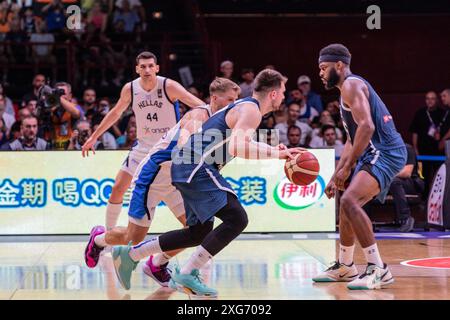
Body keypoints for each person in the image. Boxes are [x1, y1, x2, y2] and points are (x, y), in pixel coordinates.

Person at [111, 69, 304, 296]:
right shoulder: (252, 111)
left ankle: (131, 255)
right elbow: (237, 147)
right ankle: (188, 273)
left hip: (185, 165)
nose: (284, 96)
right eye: (282, 91)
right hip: (196, 166)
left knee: (198, 232)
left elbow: (240, 142)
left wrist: (275, 149)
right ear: (273, 93)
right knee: (237, 218)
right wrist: (276, 154)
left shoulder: (245, 107)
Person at [84, 78, 240, 288]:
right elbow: (187, 136)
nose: (233, 104)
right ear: (214, 98)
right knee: (134, 237)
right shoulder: (199, 115)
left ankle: (157, 263)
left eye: (236, 100)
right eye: (230, 99)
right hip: (155, 175)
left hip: (180, 180)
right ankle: (99, 240)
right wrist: (187, 147)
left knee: (194, 231)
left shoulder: (223, 123)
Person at [312, 44, 406, 290]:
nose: (320, 73)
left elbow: (367, 128)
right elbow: (353, 138)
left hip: (385, 151)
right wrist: (336, 174)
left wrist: (348, 168)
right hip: (372, 152)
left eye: (324, 68)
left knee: (350, 201)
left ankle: (378, 268)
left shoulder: (352, 85)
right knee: (346, 203)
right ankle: (345, 266)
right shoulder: (346, 90)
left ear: (339, 65)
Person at [81, 51, 205, 236]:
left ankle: (196, 249)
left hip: (167, 151)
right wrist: (94, 137)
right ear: (137, 69)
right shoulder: (130, 89)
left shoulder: (168, 86)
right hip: (143, 147)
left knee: (184, 214)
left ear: (157, 68)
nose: (147, 70)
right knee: (117, 188)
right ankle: (108, 235)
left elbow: (200, 106)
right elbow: (115, 113)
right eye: (143, 66)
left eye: (150, 66)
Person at [409, 91, 447, 195]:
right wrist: (416, 150)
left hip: (439, 152)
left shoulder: (443, 113)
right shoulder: (420, 113)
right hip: (423, 152)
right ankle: (423, 198)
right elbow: (415, 132)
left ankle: (438, 199)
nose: (429, 101)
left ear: (437, 100)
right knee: (423, 176)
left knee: (439, 177)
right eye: (427, 98)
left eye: (432, 98)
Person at [388, 144, 424, 232]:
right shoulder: (385, 150)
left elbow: (407, 173)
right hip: (390, 181)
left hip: (411, 182)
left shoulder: (407, 149)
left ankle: (406, 218)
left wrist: (387, 175)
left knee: (394, 182)